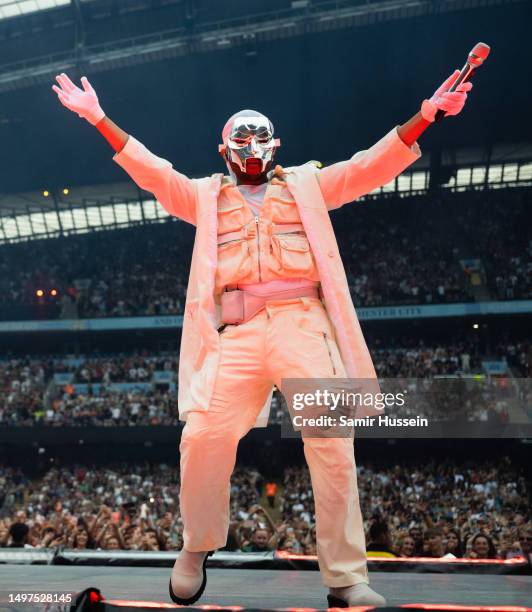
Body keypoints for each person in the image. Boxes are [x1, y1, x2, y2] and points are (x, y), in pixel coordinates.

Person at [52, 69, 472, 607]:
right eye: (241, 140)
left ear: (276, 145)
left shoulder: (308, 185)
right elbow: (154, 173)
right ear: (223, 148)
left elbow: (370, 165)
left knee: (333, 446)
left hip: (304, 323)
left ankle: (345, 578)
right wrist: (98, 118)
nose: (251, 148)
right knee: (202, 436)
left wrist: (427, 114)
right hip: (236, 331)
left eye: (260, 139)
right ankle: (196, 546)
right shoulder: (202, 197)